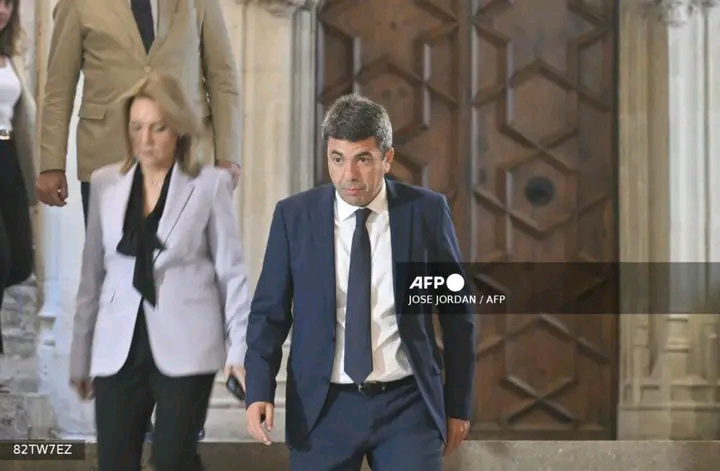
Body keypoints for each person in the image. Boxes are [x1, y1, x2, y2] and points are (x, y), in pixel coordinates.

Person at [244, 94, 476, 470]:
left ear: (387, 158)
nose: (349, 175)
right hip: (322, 408)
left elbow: (457, 315)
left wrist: (458, 404)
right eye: (337, 159)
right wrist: (258, 388)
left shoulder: (426, 212)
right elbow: (269, 313)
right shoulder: (294, 216)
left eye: (363, 159)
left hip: (407, 405)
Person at [68, 73, 250, 471]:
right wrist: (80, 355)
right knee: (114, 462)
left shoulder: (210, 185)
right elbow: (91, 276)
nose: (145, 139)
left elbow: (231, 273)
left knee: (173, 459)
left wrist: (239, 349)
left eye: (157, 128)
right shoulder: (104, 183)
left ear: (180, 129)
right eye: (136, 127)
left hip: (187, 343)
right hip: (117, 345)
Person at [35, 0, 241, 222]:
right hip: (108, 158)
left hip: (187, 156)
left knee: (187, 244)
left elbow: (223, 79)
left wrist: (228, 155)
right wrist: (51, 165)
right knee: (113, 245)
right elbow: (58, 90)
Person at [0, 0, 36, 388]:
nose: (2, 9)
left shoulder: (11, 58)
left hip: (9, 157)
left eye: (9, 3)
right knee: (1, 255)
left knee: (22, 261)